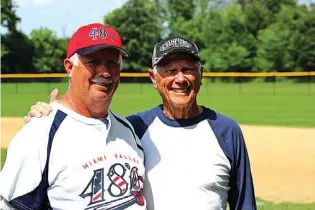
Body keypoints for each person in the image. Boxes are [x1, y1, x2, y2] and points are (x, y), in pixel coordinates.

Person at [23, 36, 257, 210]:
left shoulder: (226, 130)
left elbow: (244, 204)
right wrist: (47, 115)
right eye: (169, 70)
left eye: (188, 69)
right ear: (153, 78)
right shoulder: (132, 129)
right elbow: (81, 135)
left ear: (201, 74)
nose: (180, 79)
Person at [0, 23, 146, 210]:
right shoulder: (39, 134)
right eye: (93, 62)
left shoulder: (128, 131)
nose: (104, 71)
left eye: (112, 62)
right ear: (69, 67)